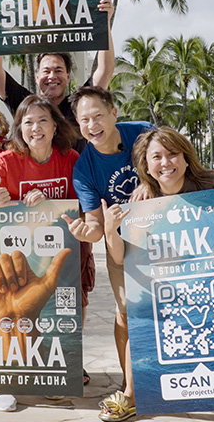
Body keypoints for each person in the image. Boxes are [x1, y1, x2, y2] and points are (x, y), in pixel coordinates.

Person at [100, 127, 214, 422]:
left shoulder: (213, 183)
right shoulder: (141, 198)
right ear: (146, 164)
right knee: (139, 316)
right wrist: (109, 229)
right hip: (170, 288)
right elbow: (122, 257)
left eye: (172, 154)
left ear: (185, 157)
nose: (165, 162)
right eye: (156, 156)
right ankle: (132, 395)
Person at [0, 0, 115, 386]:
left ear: (68, 75)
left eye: (58, 69)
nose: (51, 76)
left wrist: (104, 20)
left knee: (77, 289)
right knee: (28, 289)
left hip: (75, 214)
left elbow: (105, 67)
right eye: (45, 70)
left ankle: (69, 355)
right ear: (36, 74)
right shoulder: (27, 104)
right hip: (29, 222)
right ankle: (34, 357)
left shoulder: (80, 103)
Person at [0, 95, 81, 412]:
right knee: (11, 318)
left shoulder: (69, 159)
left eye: (43, 120)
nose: (36, 128)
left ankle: (56, 373)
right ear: (19, 129)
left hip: (59, 255)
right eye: (28, 122)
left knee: (65, 314)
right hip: (13, 259)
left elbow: (80, 204)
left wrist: (52, 199)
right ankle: (7, 380)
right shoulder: (6, 162)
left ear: (56, 126)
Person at [63, 86, 152, 403]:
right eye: (84, 120)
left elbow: (174, 163)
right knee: (126, 312)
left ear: (114, 112)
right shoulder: (83, 168)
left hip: (165, 237)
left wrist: (147, 181)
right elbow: (95, 225)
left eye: (98, 115)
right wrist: (87, 233)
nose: (92, 125)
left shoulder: (143, 134)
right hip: (122, 245)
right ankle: (132, 386)